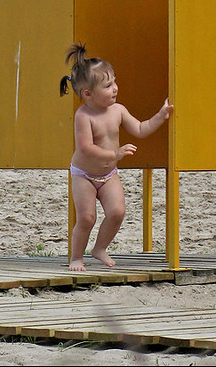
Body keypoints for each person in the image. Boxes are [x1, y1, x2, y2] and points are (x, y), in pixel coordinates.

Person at [60, 42, 173, 271]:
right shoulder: (83, 116)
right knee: (87, 218)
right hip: (84, 175)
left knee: (117, 212)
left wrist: (161, 116)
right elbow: (85, 148)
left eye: (114, 82)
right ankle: (76, 258)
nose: (115, 88)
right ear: (88, 94)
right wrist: (115, 153)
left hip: (108, 173)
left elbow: (141, 128)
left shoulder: (118, 110)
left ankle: (100, 248)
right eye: (108, 85)